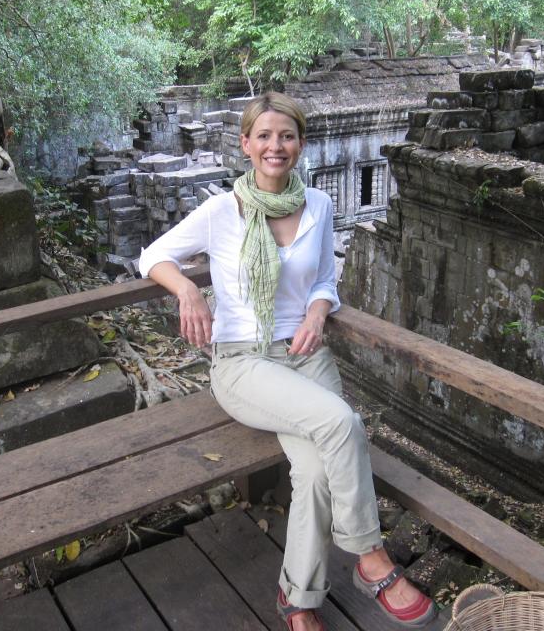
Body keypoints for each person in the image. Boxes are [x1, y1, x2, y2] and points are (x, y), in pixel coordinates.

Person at [138, 92, 436, 630]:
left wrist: (317, 316)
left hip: (305, 354)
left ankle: (296, 600)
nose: (276, 146)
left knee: (319, 472)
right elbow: (152, 256)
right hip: (243, 362)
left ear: (299, 144)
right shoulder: (220, 211)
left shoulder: (319, 206)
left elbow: (323, 280)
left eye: (287, 136)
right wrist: (186, 290)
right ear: (247, 144)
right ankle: (371, 558)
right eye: (266, 136)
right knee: (343, 422)